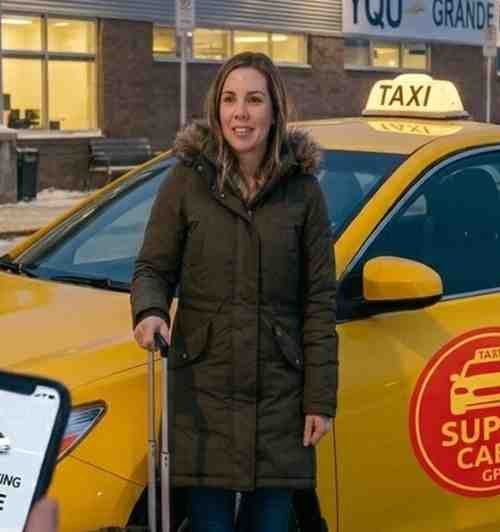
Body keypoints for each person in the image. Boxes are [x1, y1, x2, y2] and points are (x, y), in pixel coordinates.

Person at [130, 51, 338, 532]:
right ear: (215, 108)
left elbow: (319, 303)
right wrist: (150, 311)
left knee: (271, 524)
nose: (240, 113)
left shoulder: (303, 192)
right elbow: (151, 268)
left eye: (253, 99)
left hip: (280, 396)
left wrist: (319, 401)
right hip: (204, 390)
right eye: (229, 99)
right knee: (209, 524)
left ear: (274, 110)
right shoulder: (186, 181)